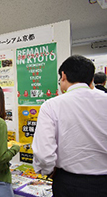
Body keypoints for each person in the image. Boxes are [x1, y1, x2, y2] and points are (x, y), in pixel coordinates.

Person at [32, 55, 107, 197]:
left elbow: (44, 153)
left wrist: (47, 171)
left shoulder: (51, 105)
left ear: (63, 76)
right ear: (91, 79)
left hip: (69, 183)